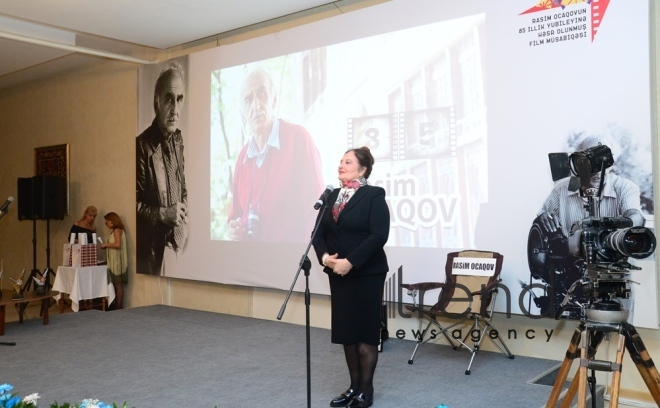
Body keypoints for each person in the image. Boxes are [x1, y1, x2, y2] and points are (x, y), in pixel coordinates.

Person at [312, 146, 390, 408]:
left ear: (363, 168)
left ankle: (365, 391)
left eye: (347, 162)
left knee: (366, 332)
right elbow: (318, 235)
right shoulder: (332, 196)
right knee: (348, 332)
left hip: (367, 273)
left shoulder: (373, 195)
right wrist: (326, 259)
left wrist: (351, 262)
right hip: (338, 273)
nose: (341, 166)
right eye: (340, 161)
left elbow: (379, 235)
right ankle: (352, 387)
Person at [227, 66, 324, 242]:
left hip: (290, 263)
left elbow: (316, 211)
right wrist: (235, 229)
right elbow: (236, 215)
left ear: (274, 99)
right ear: (243, 113)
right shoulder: (243, 158)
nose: (256, 105)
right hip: (251, 263)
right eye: (248, 99)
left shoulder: (298, 139)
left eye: (262, 94)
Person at [136, 61, 189, 276]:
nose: (175, 109)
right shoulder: (141, 146)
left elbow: (181, 187)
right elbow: (132, 204)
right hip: (151, 257)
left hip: (179, 251)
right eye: (169, 99)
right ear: (156, 102)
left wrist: (183, 213)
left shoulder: (178, 139)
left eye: (179, 99)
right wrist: (162, 214)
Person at [537, 134, 645, 236]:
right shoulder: (561, 190)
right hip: (569, 253)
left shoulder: (624, 187)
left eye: (604, 158)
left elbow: (635, 215)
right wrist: (544, 217)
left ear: (612, 161)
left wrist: (621, 223)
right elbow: (542, 218)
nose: (598, 167)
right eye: (591, 159)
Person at [101, 212, 128, 310]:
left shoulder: (117, 230)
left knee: (118, 285)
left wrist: (106, 245)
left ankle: (118, 306)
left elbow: (117, 244)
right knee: (116, 285)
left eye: (106, 222)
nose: (106, 224)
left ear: (112, 221)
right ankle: (116, 304)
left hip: (117, 262)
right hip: (114, 261)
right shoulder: (116, 231)